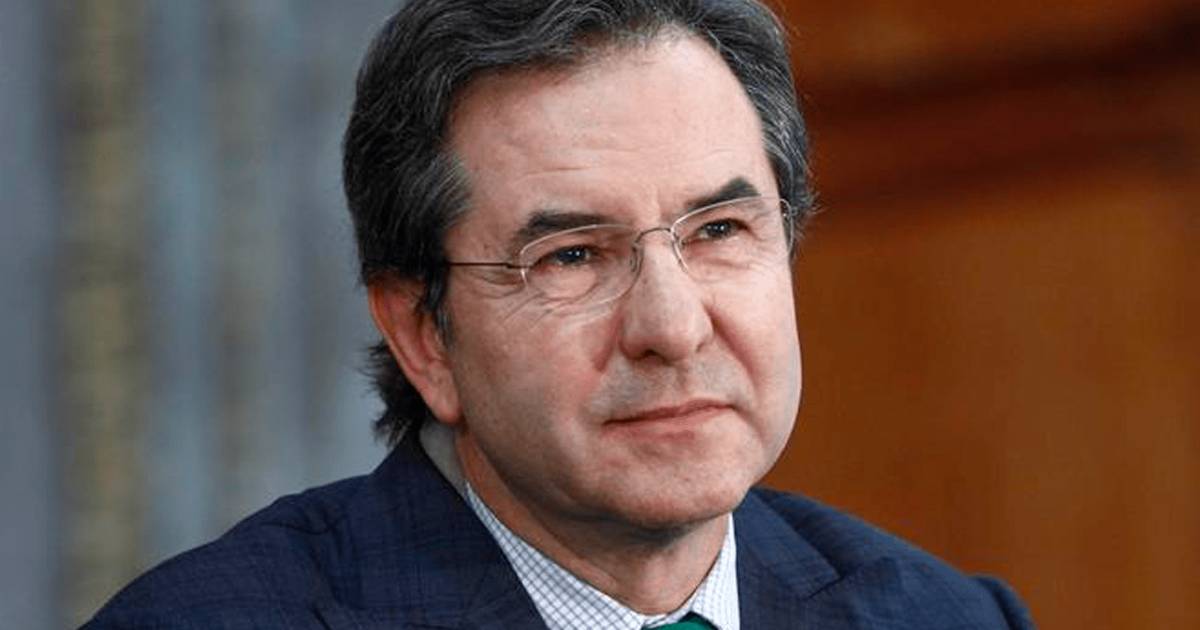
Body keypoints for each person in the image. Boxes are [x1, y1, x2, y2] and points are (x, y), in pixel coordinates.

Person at [84, 1, 1034, 628]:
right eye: (572, 256)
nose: (673, 327)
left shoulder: (947, 619)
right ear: (424, 335)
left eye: (718, 231)